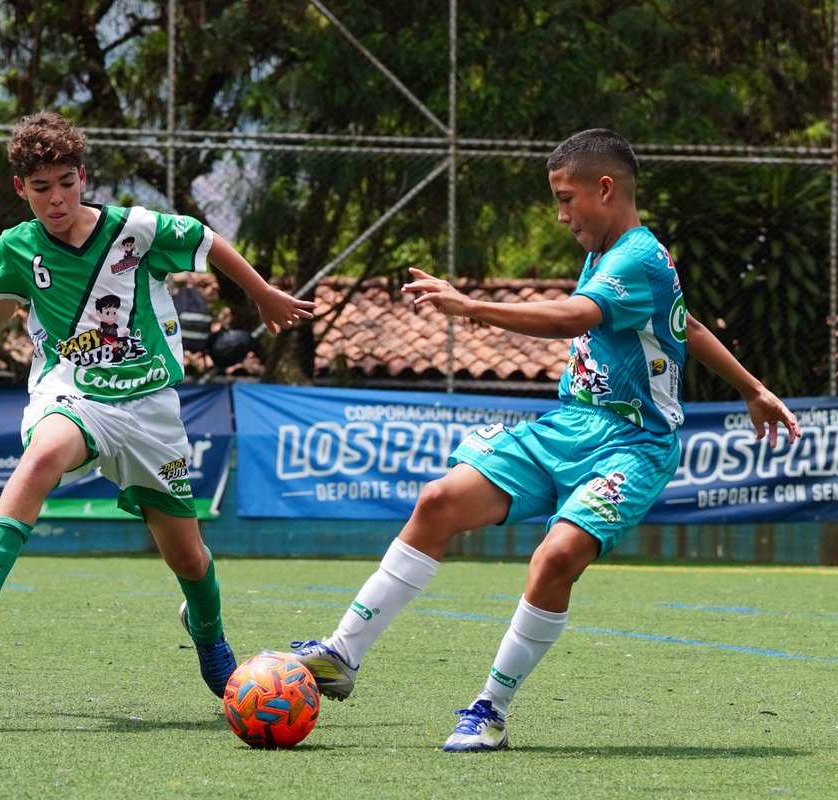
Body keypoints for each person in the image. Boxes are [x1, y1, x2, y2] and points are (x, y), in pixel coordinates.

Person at [288, 128, 801, 750]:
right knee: (438, 501)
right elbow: (682, 322)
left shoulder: (637, 256)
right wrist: (751, 387)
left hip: (634, 445)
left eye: (565, 199)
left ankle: (489, 710)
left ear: (604, 189)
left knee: (555, 557)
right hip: (568, 427)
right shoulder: (615, 256)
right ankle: (342, 654)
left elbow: (573, 318)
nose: (560, 216)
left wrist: (469, 306)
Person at [0, 111, 316, 698]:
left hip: (150, 407)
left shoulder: (139, 230)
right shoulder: (18, 246)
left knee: (188, 558)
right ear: (19, 189)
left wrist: (260, 293)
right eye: (41, 187)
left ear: (83, 176)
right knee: (42, 455)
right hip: (72, 391)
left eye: (66, 183)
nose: (56, 200)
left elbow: (207, 240)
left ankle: (208, 634)